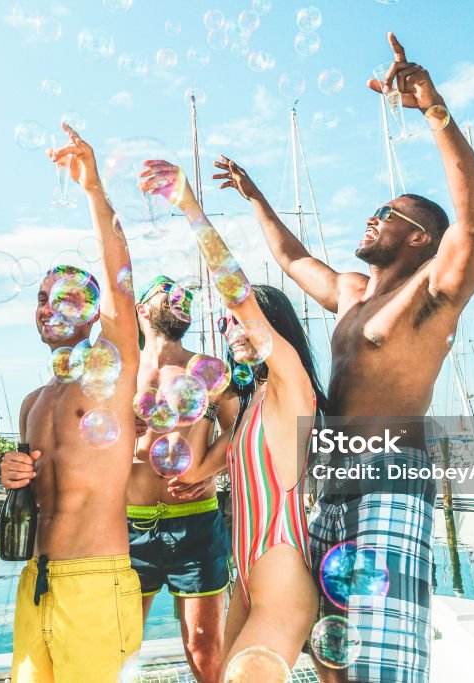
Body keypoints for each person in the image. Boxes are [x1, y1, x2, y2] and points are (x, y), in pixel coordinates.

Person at [212, 33, 474, 683]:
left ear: (421, 237)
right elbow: (289, 259)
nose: (371, 219)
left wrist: (433, 110)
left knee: (383, 656)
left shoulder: (432, 294)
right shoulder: (347, 293)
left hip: (388, 480)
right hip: (329, 479)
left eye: (387, 214)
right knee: (331, 650)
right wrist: (253, 194)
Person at [141, 160, 329, 678]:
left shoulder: (292, 383)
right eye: (225, 324)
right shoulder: (254, 405)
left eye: (240, 320)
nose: (230, 327)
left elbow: (236, 291)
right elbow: (235, 451)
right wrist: (200, 472)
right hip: (244, 575)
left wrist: (188, 205)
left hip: (280, 574)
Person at [0, 123, 142, 683]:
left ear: (91, 312)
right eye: (39, 298)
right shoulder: (34, 402)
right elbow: (35, 494)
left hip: (96, 579)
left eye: (61, 297)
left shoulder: (110, 374)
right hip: (38, 579)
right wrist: (14, 475)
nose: (45, 307)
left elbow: (120, 279)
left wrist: (92, 188)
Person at [128, 275, 239, 683]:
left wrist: (206, 470)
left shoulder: (206, 368)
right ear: (142, 309)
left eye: (185, 295)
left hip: (194, 521)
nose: (181, 296)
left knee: (204, 646)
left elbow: (239, 429)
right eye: (166, 291)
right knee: (122, 641)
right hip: (128, 525)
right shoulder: (123, 369)